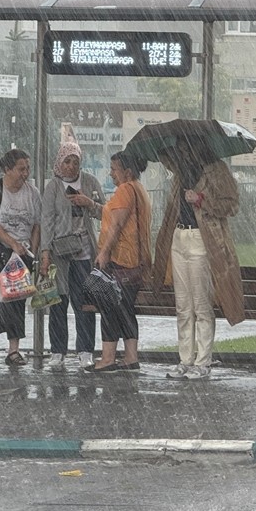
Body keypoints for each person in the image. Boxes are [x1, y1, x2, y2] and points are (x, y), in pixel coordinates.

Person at [149, 141, 245, 380]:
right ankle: (185, 359)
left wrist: (201, 199)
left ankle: (203, 361)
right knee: (183, 305)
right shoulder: (179, 173)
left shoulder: (216, 170)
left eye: (186, 146)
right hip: (179, 237)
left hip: (202, 239)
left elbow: (231, 204)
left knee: (201, 304)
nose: (183, 151)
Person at [39, 140, 105, 371]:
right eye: (67, 161)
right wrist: (45, 253)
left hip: (85, 253)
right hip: (59, 253)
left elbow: (105, 213)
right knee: (58, 302)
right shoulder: (53, 187)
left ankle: (85, 349)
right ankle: (58, 350)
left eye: (75, 162)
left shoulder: (89, 182)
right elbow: (47, 220)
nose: (70, 166)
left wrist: (89, 203)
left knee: (84, 302)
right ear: (59, 162)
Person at [0, 148, 41, 368]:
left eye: (28, 169)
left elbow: (36, 225)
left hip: (19, 256)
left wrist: (31, 251)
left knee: (16, 300)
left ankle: (14, 350)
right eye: (21, 169)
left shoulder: (32, 193)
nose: (25, 174)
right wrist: (11, 242)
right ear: (7, 169)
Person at [88, 150, 151, 374]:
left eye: (114, 169)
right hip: (135, 260)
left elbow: (116, 225)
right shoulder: (139, 190)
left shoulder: (125, 190)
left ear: (127, 172)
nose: (111, 173)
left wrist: (104, 252)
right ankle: (131, 357)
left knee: (109, 308)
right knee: (125, 309)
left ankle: (107, 358)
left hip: (121, 259)